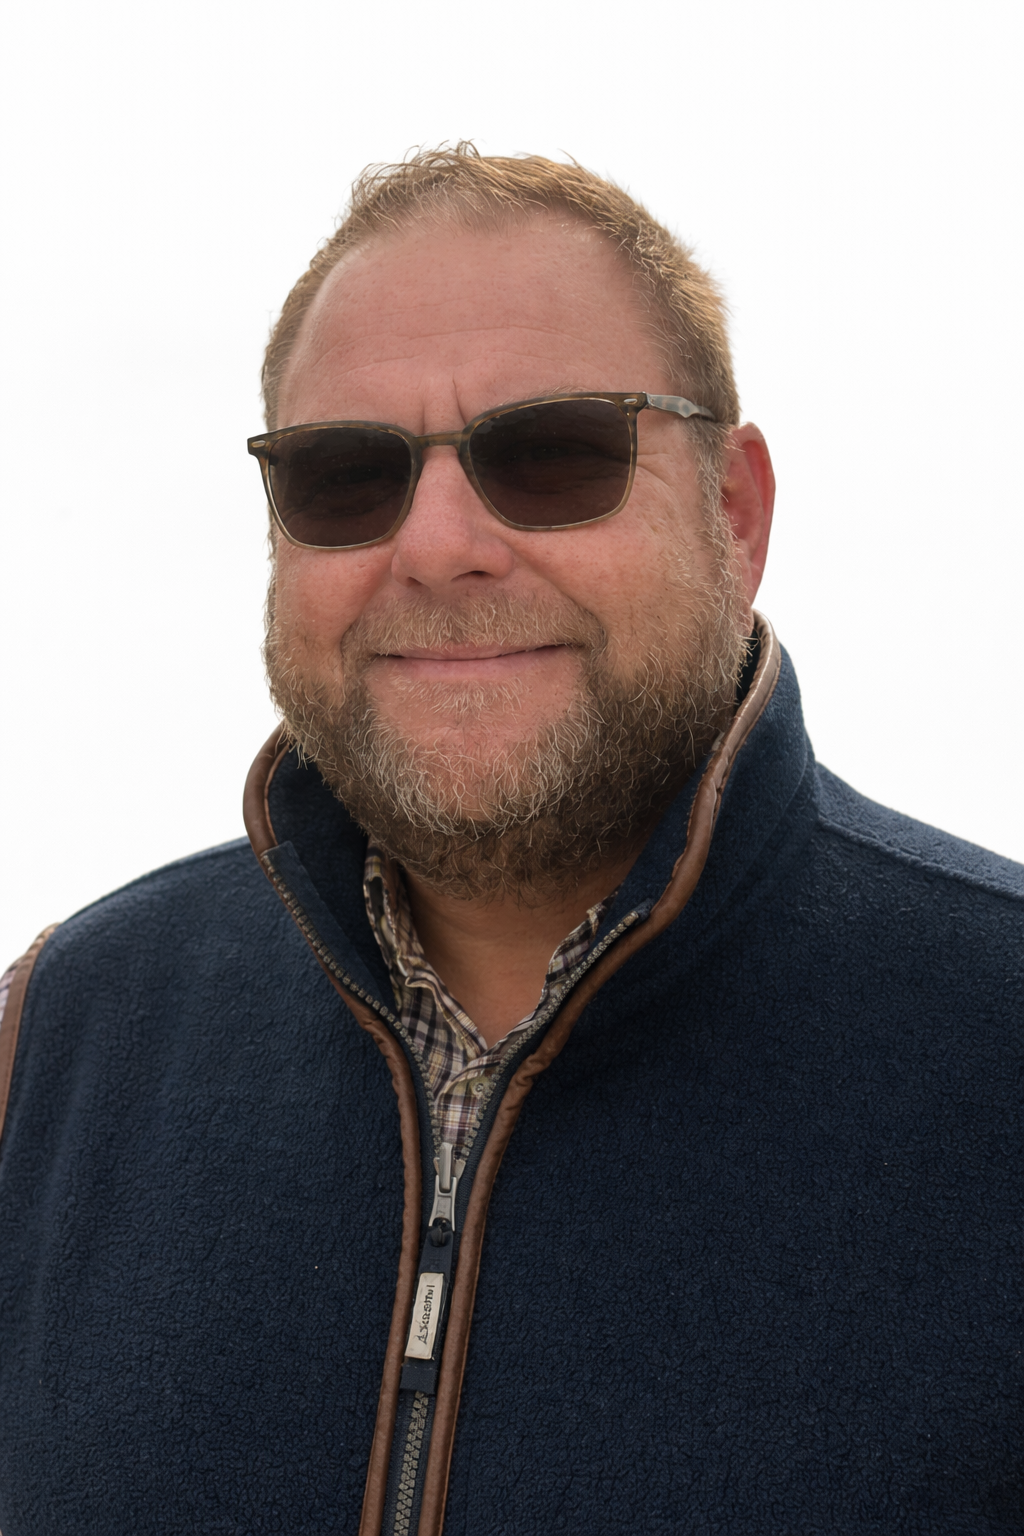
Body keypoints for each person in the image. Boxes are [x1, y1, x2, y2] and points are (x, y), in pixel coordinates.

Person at [0, 144, 1020, 1536]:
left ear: (736, 511)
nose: (437, 544)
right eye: (346, 476)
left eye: (552, 454)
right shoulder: (58, 1042)